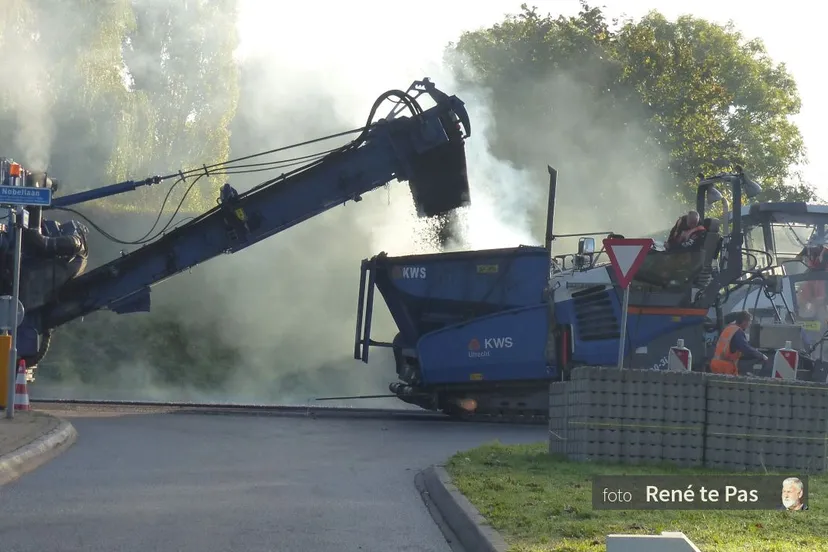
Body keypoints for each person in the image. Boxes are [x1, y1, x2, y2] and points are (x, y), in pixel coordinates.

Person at [710, 310, 768, 375]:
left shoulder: (728, 328)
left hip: (716, 364)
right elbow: (745, 348)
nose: (749, 325)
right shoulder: (737, 332)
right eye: (749, 322)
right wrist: (761, 355)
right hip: (725, 366)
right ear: (744, 322)